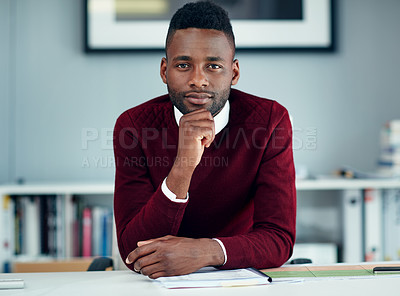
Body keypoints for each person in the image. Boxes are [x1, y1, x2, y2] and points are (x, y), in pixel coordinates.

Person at [113, 1, 296, 279]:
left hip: (240, 276)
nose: (198, 80)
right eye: (184, 65)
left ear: (233, 73)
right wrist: (184, 165)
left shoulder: (271, 121)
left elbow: (279, 239)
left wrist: (202, 252)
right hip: (158, 283)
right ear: (165, 70)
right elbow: (131, 249)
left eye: (213, 66)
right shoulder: (133, 127)